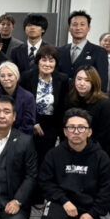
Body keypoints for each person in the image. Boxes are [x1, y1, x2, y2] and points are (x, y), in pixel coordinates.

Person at [39, 108, 110, 219]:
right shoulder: (54, 154)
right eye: (71, 127)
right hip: (62, 203)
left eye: (81, 128)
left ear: (89, 132)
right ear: (65, 132)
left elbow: (106, 191)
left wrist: (92, 214)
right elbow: (45, 182)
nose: (76, 132)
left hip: (88, 208)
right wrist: (64, 201)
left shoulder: (101, 157)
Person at [19, 45, 70, 175]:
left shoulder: (62, 79)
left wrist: (60, 130)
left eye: (51, 60)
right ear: (38, 61)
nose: (47, 64)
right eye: (44, 60)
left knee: (45, 160)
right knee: (28, 159)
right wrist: (33, 123)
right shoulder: (27, 77)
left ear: (56, 63)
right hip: (31, 123)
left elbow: (64, 106)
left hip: (52, 126)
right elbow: (22, 104)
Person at [69, 66, 110, 164]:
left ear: (94, 82)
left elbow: (103, 131)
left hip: (101, 144)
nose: (82, 83)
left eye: (87, 80)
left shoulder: (104, 101)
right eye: (79, 79)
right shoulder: (70, 97)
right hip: (78, 140)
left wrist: (83, 147)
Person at [57, 10, 109, 91]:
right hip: (62, 96)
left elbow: (102, 80)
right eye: (75, 24)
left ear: (89, 28)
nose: (78, 28)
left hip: (86, 96)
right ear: (69, 28)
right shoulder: (60, 51)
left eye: (82, 24)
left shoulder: (99, 52)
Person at [0, 62, 35, 135]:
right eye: (2, 76)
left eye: (10, 75)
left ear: (17, 77)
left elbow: (28, 125)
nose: (6, 78)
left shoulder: (28, 97)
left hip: (20, 137)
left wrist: (11, 138)